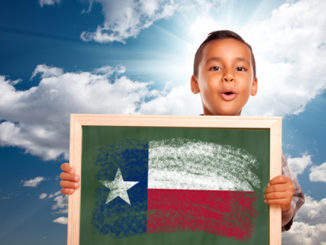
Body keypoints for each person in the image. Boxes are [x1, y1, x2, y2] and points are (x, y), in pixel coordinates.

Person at [60, 30, 304, 231]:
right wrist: (83, 181)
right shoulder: (168, 143)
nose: (229, 76)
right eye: (215, 68)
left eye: (240, 69)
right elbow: (118, 187)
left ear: (254, 85)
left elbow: (281, 219)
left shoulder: (268, 148)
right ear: (195, 83)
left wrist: (285, 206)